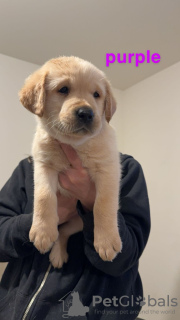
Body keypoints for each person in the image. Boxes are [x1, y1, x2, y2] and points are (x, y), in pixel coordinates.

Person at [0, 144, 150, 320]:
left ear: (106, 115)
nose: (81, 117)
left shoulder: (125, 169)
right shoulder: (29, 167)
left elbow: (122, 260)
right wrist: (47, 217)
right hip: (14, 310)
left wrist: (92, 203)